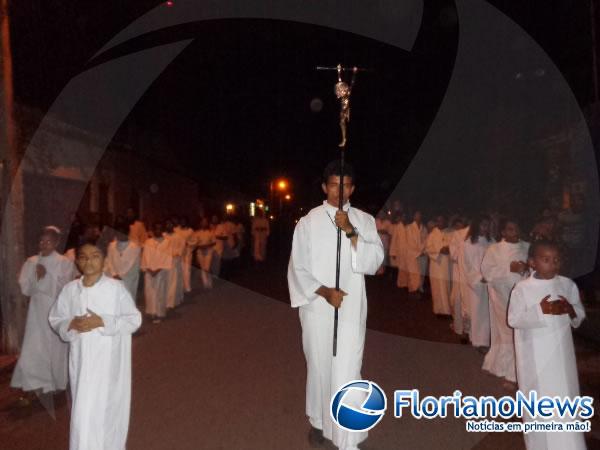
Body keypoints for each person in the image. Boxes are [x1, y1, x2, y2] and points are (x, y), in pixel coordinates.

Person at [288, 160, 384, 450]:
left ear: (352, 188)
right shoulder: (308, 222)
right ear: (324, 187)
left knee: (348, 366)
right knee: (319, 366)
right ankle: (320, 421)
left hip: (352, 308)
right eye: (333, 185)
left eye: (345, 186)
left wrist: (352, 232)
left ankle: (348, 435)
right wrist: (324, 291)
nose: (339, 191)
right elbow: (297, 268)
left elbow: (376, 261)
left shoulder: (365, 220)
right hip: (317, 308)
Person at [49, 240, 141, 450]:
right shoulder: (70, 290)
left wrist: (103, 321)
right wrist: (71, 323)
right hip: (81, 363)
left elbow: (133, 319)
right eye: (83, 257)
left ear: (104, 260)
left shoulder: (115, 288)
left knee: (107, 410)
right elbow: (56, 318)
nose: (89, 261)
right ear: (77, 263)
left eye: (95, 256)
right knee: (83, 411)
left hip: (109, 363)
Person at [508, 240, 586, 450]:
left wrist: (571, 310)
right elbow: (513, 319)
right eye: (546, 260)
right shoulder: (522, 289)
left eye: (556, 260)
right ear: (532, 262)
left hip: (562, 356)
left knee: (565, 399)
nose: (553, 264)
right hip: (535, 356)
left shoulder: (568, 284)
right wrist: (539, 310)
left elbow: (578, 315)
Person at [11, 226, 74, 401]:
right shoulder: (31, 261)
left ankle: (56, 382)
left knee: (54, 346)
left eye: (48, 241)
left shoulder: (64, 262)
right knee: (35, 344)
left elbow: (66, 287)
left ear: (56, 243)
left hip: (56, 308)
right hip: (37, 310)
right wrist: (35, 277)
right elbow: (26, 288)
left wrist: (47, 277)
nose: (44, 244)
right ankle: (35, 382)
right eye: (41, 241)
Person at [481, 219, 529, 384]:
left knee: (519, 333)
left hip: (523, 297)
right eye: (510, 229)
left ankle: (515, 371)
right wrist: (509, 268)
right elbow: (487, 272)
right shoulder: (494, 249)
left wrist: (526, 267)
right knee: (507, 332)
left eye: (516, 228)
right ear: (503, 232)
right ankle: (507, 370)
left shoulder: (527, 247)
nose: (514, 232)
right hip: (502, 296)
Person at [463, 214, 494, 350]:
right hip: (476, 284)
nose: (485, 228)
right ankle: (477, 341)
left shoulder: (491, 242)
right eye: (482, 225)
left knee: (488, 312)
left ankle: (486, 339)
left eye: (487, 225)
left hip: (490, 283)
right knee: (477, 312)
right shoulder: (468, 243)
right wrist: (478, 277)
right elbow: (466, 266)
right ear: (476, 225)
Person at [141, 222, 172, 323]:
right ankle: (152, 312)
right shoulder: (148, 242)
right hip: (150, 271)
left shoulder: (167, 242)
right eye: (156, 229)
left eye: (160, 229)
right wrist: (149, 269)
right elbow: (145, 256)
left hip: (161, 272)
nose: (158, 231)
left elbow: (167, 257)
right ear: (153, 230)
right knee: (150, 292)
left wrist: (158, 269)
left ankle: (159, 313)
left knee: (160, 292)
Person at [105, 220, 141, 301]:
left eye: (122, 232)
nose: (119, 235)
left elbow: (133, 265)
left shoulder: (135, 247)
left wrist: (120, 275)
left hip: (128, 278)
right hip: (113, 277)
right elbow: (109, 261)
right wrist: (114, 274)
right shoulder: (111, 246)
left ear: (127, 232)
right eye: (117, 232)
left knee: (127, 299)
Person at [425, 215, 452, 316]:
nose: (440, 223)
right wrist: (439, 251)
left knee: (446, 286)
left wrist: (449, 250)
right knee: (437, 287)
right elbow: (428, 249)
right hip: (436, 265)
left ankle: (447, 310)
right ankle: (438, 310)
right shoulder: (432, 234)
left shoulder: (450, 233)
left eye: (442, 221)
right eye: (438, 221)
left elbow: (454, 247)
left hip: (446, 265)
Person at [449, 217, 469, 342]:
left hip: (475, 279)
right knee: (459, 301)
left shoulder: (485, 237)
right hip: (460, 274)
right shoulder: (458, 235)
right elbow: (454, 255)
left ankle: (471, 331)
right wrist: (464, 245)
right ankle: (462, 330)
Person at [405, 210, 428, 299]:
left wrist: (422, 251)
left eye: (420, 214)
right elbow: (410, 242)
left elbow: (426, 240)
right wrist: (418, 252)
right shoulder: (409, 228)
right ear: (413, 216)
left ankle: (420, 288)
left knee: (421, 272)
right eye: (416, 214)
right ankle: (413, 290)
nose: (418, 216)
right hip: (413, 254)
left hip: (423, 254)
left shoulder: (424, 228)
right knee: (414, 273)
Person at [193, 217, 217, 289]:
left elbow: (214, 242)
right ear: (200, 223)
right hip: (200, 252)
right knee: (203, 268)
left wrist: (207, 245)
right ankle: (205, 284)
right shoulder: (197, 233)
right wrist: (199, 246)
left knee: (207, 267)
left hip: (208, 251)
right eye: (203, 222)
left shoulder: (210, 232)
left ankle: (209, 282)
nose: (204, 223)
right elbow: (194, 243)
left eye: (205, 222)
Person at [389, 211, 408, 288]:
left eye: (404, 216)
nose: (404, 218)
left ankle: (405, 283)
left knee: (405, 268)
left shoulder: (407, 227)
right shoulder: (397, 227)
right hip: (399, 251)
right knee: (400, 268)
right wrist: (393, 252)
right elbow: (394, 240)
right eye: (402, 216)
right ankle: (400, 284)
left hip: (406, 251)